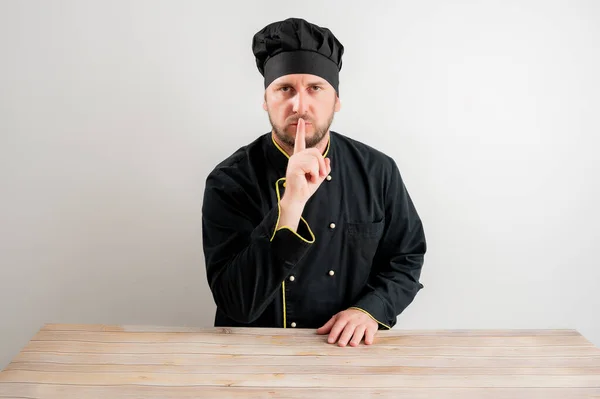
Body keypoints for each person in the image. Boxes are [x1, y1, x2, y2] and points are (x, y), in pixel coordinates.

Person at [202, 17, 426, 347]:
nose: (300, 105)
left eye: (315, 89)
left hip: (346, 350)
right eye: (284, 89)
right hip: (253, 353)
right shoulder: (230, 180)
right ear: (266, 100)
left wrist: (370, 310)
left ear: (336, 101)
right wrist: (290, 203)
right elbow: (238, 304)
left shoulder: (378, 170)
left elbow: (405, 258)